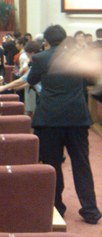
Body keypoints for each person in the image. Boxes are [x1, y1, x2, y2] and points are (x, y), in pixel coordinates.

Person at [27, 25, 101, 224]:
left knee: (53, 164)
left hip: (50, 119)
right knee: (81, 163)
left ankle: (57, 207)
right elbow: (90, 80)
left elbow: (32, 79)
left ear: (46, 41)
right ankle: (90, 209)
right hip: (77, 117)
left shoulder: (40, 58)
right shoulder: (76, 57)